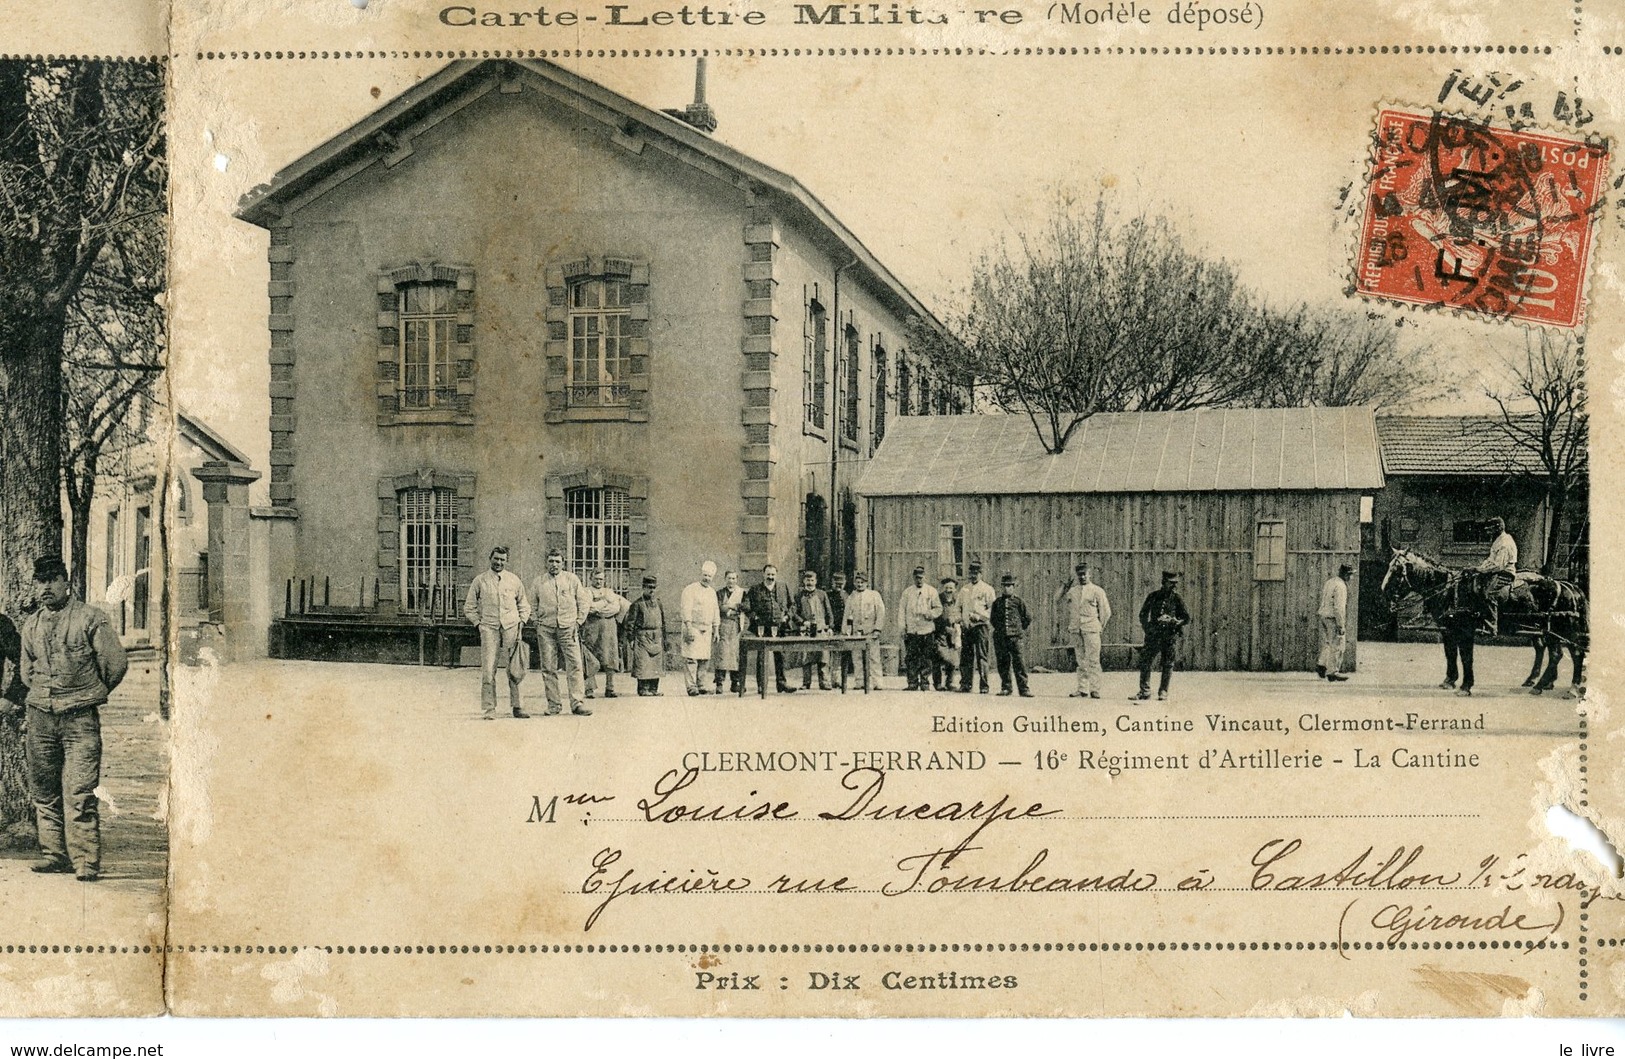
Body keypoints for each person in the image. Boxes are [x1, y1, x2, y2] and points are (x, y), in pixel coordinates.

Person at [17, 556, 128, 882]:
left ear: (68, 583)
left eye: (53, 579)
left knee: (80, 792)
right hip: (40, 719)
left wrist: (91, 691)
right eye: (41, 581)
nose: (47, 587)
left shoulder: (91, 619)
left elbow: (115, 663)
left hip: (80, 721)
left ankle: (85, 863)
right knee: (44, 791)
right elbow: (26, 673)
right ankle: (54, 855)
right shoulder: (31, 625)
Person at [463, 546, 532, 720]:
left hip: (511, 627)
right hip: (489, 628)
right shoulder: (480, 581)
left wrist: (521, 623)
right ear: (490, 558)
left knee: (515, 668)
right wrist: (478, 624)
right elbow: (469, 607)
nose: (499, 562)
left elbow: (524, 605)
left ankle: (518, 706)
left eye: (502, 559)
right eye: (496, 559)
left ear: (506, 561)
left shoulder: (514, 580)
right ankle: (489, 708)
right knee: (488, 669)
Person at [530, 549, 593, 716]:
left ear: (563, 563)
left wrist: (578, 622)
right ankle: (554, 705)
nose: (554, 564)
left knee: (575, 665)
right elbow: (532, 605)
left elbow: (584, 602)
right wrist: (536, 622)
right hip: (546, 629)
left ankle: (577, 703)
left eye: (557, 561)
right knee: (548, 667)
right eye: (551, 561)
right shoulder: (539, 582)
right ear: (546, 563)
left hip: (568, 628)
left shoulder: (571, 580)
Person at [1135, 571, 1191, 702]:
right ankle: (1145, 691)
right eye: (1171, 583)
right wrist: (1148, 628)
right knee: (1145, 661)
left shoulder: (1177, 599)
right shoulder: (1153, 596)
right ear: (1163, 582)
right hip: (1154, 635)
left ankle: (1163, 691)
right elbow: (1143, 614)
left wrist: (1176, 621)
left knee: (1168, 664)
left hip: (1169, 636)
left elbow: (1186, 618)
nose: (1174, 586)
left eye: (1175, 584)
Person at [1062, 562, 1112, 699]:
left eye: (1085, 574)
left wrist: (1098, 626)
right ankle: (1082, 689)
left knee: (1093, 660)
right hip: (1076, 630)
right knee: (1080, 660)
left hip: (1092, 629)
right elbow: (1057, 599)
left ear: (1090, 574)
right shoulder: (1073, 591)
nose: (1082, 577)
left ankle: (1095, 689)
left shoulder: (1097, 591)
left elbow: (1106, 612)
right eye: (1080, 574)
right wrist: (1065, 585)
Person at [745, 564, 797, 693]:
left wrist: (787, 617)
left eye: (773, 574)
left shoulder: (783, 587)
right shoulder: (755, 589)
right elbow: (746, 606)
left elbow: (793, 605)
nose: (770, 577)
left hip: (780, 628)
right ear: (763, 574)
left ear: (776, 575)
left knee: (780, 656)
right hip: (762, 628)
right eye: (768, 574)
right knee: (762, 656)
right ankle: (761, 685)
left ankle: (782, 683)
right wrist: (754, 617)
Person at [582, 570, 629, 700]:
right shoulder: (586, 592)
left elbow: (616, 608)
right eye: (596, 578)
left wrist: (599, 609)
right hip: (592, 628)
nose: (598, 581)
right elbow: (588, 608)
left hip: (609, 628)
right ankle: (589, 689)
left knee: (611, 657)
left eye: (601, 579)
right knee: (590, 657)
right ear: (591, 578)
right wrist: (604, 603)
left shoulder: (609, 592)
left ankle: (610, 687)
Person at [680, 561, 722, 696]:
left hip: (707, 629)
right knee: (691, 659)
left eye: (709, 576)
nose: (707, 578)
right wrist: (688, 627)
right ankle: (691, 686)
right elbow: (686, 608)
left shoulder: (712, 592)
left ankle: (701, 684)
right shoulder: (690, 589)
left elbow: (716, 611)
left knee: (704, 659)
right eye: (705, 575)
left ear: (712, 578)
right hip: (693, 627)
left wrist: (716, 630)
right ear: (701, 574)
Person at [898, 566, 942, 692]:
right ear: (913, 577)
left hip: (926, 629)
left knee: (926, 657)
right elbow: (901, 610)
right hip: (912, 630)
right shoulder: (907, 592)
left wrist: (930, 614)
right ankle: (912, 682)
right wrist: (902, 628)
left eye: (921, 578)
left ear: (925, 577)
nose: (919, 580)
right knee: (911, 657)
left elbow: (938, 608)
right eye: (917, 578)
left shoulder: (931, 591)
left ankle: (925, 682)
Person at [990, 573, 1033, 697]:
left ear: (1013, 587)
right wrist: (1000, 630)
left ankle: (1024, 689)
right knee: (1003, 663)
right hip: (1001, 638)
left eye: (1009, 586)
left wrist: (1018, 629)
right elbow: (993, 619)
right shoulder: (997, 603)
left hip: (1016, 638)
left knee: (1019, 663)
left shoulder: (1019, 602)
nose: (1006, 588)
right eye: (1004, 586)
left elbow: (1028, 617)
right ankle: (1006, 688)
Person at [625, 575, 667, 696]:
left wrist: (664, 639)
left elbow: (663, 623)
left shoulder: (659, 603)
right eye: (649, 587)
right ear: (643, 588)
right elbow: (630, 624)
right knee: (643, 663)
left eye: (654, 587)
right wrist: (631, 639)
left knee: (656, 665)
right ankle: (643, 689)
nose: (651, 590)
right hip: (642, 638)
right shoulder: (636, 604)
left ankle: (654, 689)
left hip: (657, 637)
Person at [845, 572, 887, 691]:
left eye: (862, 582)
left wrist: (877, 629)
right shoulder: (851, 597)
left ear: (867, 583)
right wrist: (846, 630)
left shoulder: (874, 595)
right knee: (857, 657)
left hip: (870, 631)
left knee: (874, 657)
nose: (859, 584)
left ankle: (878, 682)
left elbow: (880, 612)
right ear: (854, 583)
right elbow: (847, 614)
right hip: (856, 632)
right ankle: (860, 681)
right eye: (857, 582)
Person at [958, 562, 995, 694]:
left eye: (976, 573)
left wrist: (979, 617)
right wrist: (961, 619)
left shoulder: (987, 589)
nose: (973, 576)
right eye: (971, 573)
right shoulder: (964, 590)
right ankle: (966, 684)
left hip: (981, 627)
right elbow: (958, 608)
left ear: (981, 574)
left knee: (982, 657)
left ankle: (984, 686)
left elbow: (992, 609)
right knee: (966, 657)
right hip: (967, 627)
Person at [795, 570, 833, 690]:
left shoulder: (822, 594)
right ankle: (806, 682)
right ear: (804, 581)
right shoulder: (799, 595)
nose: (810, 583)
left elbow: (828, 612)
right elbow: (794, 613)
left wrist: (830, 627)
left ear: (816, 581)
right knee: (806, 657)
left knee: (823, 656)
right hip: (806, 630)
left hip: (821, 629)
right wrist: (802, 622)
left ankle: (825, 682)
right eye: (807, 580)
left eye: (812, 580)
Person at [712, 570, 747, 694]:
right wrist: (733, 608)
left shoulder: (742, 593)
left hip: (737, 626)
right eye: (729, 578)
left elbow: (746, 606)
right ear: (725, 579)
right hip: (723, 625)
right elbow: (718, 607)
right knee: (722, 653)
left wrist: (731, 606)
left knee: (735, 654)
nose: (731, 581)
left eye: (733, 578)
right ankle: (719, 683)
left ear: (736, 579)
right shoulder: (720, 593)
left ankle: (735, 683)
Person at [1317, 564, 1352, 682]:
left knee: (1328, 641)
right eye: (1350, 574)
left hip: (1323, 615)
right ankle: (1332, 672)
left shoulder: (1330, 582)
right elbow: (1339, 608)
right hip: (1332, 617)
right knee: (1337, 644)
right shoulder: (1341, 586)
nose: (1351, 577)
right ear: (1346, 575)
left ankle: (1322, 665)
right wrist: (1340, 625)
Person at [932, 577, 963, 691]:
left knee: (952, 658)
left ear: (955, 589)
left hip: (953, 633)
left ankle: (949, 682)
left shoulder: (957, 600)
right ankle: (938, 683)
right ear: (943, 588)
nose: (949, 590)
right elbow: (935, 616)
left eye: (951, 588)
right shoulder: (938, 599)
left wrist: (957, 625)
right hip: (940, 632)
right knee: (939, 657)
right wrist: (944, 628)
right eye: (946, 588)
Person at [828, 572, 851, 684]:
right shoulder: (828, 595)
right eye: (836, 583)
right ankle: (831, 679)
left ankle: (839, 680)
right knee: (831, 654)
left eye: (841, 584)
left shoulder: (848, 596)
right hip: (832, 628)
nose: (839, 586)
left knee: (841, 654)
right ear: (832, 583)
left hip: (844, 628)